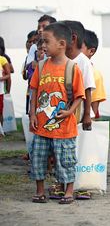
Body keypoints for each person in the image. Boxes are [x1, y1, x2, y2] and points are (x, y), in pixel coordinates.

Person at [28, 22, 85, 204]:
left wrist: (69, 111)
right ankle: (39, 191)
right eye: (41, 41)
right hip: (41, 126)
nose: (42, 45)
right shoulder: (42, 66)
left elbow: (79, 95)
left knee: (65, 159)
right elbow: (34, 90)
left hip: (64, 127)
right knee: (38, 157)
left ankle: (68, 191)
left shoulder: (72, 68)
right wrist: (32, 114)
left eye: (46, 41)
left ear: (62, 44)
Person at [63, 21, 95, 130]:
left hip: (78, 112)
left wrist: (87, 115)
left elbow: (87, 89)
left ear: (73, 38)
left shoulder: (83, 61)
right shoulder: (60, 58)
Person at [82, 30, 106, 120]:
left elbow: (94, 105)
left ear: (91, 51)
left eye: (79, 47)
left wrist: (89, 118)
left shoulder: (95, 74)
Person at [0, 52, 11, 127]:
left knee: (0, 113)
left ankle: (0, 131)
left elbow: (8, 75)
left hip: (0, 92)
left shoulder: (2, 59)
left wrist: (0, 78)